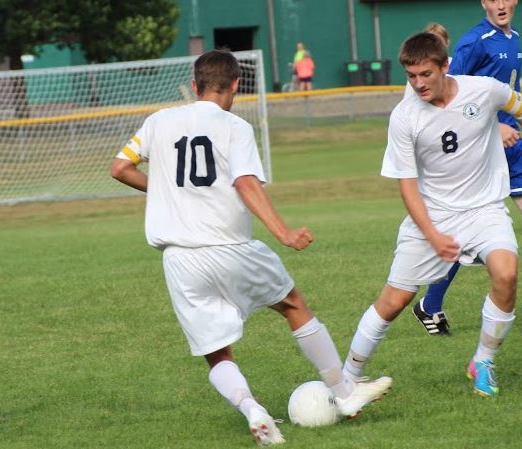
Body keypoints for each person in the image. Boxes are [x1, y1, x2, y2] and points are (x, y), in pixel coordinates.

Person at [111, 50, 391, 446]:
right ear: (236, 86)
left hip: (178, 259)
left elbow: (119, 167)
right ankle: (345, 394)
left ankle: (251, 409)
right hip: (229, 247)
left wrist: (165, 190)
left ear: (195, 85)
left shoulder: (158, 121)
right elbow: (245, 183)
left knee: (217, 352)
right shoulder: (234, 127)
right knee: (292, 304)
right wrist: (284, 233)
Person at [342, 32, 522, 397]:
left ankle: (484, 361)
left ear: (445, 67)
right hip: (432, 215)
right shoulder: (403, 117)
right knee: (394, 301)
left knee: (506, 274)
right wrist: (431, 233)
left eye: (426, 74)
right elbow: (407, 187)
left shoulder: (484, 90)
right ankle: (348, 376)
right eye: (411, 76)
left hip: (484, 210)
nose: (418, 84)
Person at [412, 0, 522, 335]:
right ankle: (429, 304)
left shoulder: (514, 38)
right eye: (493, 0)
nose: (500, 5)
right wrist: (493, 127)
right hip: (481, 146)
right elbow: (449, 97)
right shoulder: (475, 42)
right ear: (483, 3)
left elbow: (510, 91)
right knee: (465, 232)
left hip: (512, 144)